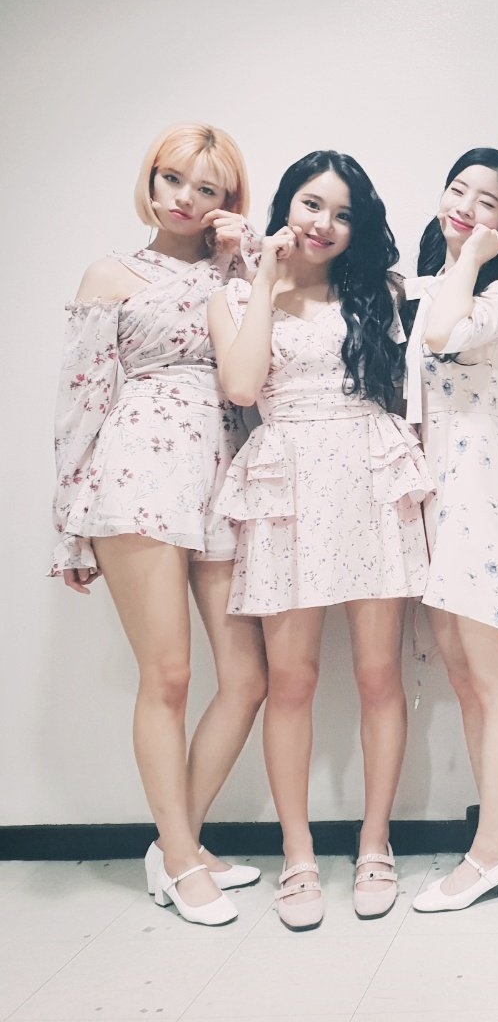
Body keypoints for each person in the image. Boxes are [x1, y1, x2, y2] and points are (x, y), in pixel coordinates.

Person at [51, 123, 267, 927]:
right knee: (168, 676)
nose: (185, 199)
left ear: (227, 202)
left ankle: (179, 842)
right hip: (135, 473)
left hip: (220, 475)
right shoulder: (111, 274)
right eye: (173, 180)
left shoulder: (237, 271)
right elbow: (81, 400)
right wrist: (69, 526)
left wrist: (248, 258)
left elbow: (270, 359)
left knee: (247, 679)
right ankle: (179, 858)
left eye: (206, 189)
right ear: (150, 180)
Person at [208, 150, 430, 930]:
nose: (324, 224)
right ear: (284, 206)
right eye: (311, 204)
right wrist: (265, 277)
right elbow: (242, 387)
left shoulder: (381, 294)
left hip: (370, 478)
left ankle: (375, 844)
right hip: (287, 488)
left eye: (342, 213)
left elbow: (405, 395)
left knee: (378, 676)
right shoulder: (237, 295)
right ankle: (297, 855)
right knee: (291, 681)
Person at [400, 148, 498, 914]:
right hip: (430, 477)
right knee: (462, 674)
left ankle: (490, 853)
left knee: (495, 680)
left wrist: (470, 256)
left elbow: (442, 337)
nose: (463, 205)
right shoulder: (429, 281)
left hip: (478, 472)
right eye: (457, 189)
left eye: (485, 200)